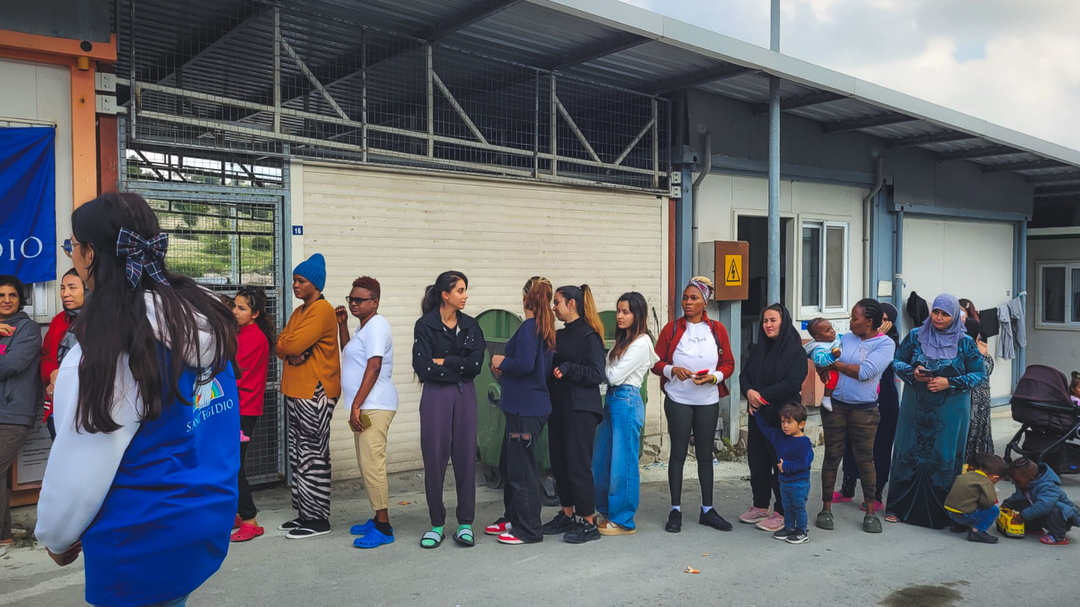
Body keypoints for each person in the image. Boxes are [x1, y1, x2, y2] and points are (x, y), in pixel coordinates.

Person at [35, 192, 239, 606]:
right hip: (201, 522)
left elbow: (81, 468)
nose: (71, 255)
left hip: (136, 541)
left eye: (72, 246)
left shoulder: (108, 351)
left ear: (90, 253)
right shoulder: (201, 323)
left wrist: (56, 536)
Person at [887, 293, 987, 529]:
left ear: (954, 317)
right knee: (908, 450)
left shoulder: (965, 343)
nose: (939, 318)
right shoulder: (916, 335)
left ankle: (940, 513)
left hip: (950, 411)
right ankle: (898, 508)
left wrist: (948, 382)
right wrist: (914, 372)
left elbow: (979, 374)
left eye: (945, 314)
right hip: (915, 407)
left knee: (943, 455)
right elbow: (896, 361)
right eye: (936, 312)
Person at [651, 276, 735, 534]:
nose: (687, 302)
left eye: (693, 298)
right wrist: (673, 369)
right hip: (678, 399)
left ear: (704, 302)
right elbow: (655, 363)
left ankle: (707, 510)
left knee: (705, 456)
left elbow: (728, 364)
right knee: (677, 455)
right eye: (685, 298)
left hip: (708, 400)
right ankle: (675, 510)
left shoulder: (717, 330)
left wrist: (714, 377)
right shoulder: (672, 329)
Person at [414, 271, 486, 549]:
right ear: (446, 295)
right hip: (436, 395)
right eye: (460, 290)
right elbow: (423, 367)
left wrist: (445, 361)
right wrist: (458, 365)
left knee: (466, 457)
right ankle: (436, 524)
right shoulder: (425, 325)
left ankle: (466, 523)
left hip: (465, 394)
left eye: (465, 290)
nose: (465, 295)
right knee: (434, 457)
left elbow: (476, 365)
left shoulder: (471, 326)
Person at [816, 299, 896, 534]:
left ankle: (870, 512)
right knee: (832, 455)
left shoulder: (885, 345)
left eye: (854, 318)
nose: (850, 322)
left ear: (869, 322)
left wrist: (834, 365)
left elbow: (865, 373)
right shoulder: (846, 338)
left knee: (865, 459)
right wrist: (824, 367)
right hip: (835, 405)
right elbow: (825, 357)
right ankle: (826, 508)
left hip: (865, 409)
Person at [276, 253, 342, 539]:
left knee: (313, 454)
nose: (295, 285)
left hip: (315, 391)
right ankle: (304, 512)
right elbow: (281, 344)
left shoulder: (322, 310)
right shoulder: (300, 311)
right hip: (296, 390)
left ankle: (318, 519)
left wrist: (291, 347)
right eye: (294, 280)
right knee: (298, 454)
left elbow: (294, 343)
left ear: (315, 284)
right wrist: (289, 347)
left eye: (301, 281)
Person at [487, 277, 556, 545]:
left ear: (525, 297)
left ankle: (528, 529)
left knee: (522, 470)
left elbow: (525, 364)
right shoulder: (544, 327)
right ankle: (515, 518)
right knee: (513, 464)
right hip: (529, 406)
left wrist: (501, 361)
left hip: (525, 409)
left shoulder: (529, 328)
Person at [336, 276, 399, 550]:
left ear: (375, 301)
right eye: (351, 298)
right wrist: (342, 326)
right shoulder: (364, 328)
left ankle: (384, 527)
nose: (353, 303)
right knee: (366, 463)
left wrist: (356, 404)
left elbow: (373, 367)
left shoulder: (377, 325)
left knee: (373, 465)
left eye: (360, 300)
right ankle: (376, 518)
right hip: (367, 404)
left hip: (374, 404)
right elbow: (349, 353)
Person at [543, 284, 605, 544]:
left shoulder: (589, 336)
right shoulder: (560, 335)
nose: (553, 308)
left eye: (557, 302)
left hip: (581, 409)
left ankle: (588, 521)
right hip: (559, 407)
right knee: (560, 462)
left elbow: (596, 373)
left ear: (572, 304)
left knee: (578, 465)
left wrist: (570, 368)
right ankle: (566, 513)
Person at [738, 304, 808, 533]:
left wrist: (761, 396)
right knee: (757, 462)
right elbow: (745, 375)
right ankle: (760, 505)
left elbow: (792, 382)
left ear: (783, 322)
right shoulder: (758, 349)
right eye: (765, 321)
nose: (768, 325)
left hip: (783, 416)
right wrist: (749, 392)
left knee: (780, 462)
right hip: (758, 415)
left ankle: (782, 511)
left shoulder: (796, 351)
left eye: (773, 320)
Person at [593, 292, 658, 537]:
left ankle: (623, 519)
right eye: (619, 311)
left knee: (623, 462)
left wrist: (605, 367)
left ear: (637, 314)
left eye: (626, 312)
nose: (619, 316)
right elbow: (610, 372)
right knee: (601, 459)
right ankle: (607, 511)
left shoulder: (641, 343)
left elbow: (614, 375)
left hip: (627, 400)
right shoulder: (624, 341)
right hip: (612, 399)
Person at [836, 302, 901, 510]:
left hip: (884, 399)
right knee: (851, 441)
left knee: (879, 446)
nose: (879, 325)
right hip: (855, 398)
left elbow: (868, 370)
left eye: (884, 320)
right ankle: (847, 487)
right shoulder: (854, 339)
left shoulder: (889, 343)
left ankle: (876, 494)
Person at [0, 275, 42, 559]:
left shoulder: (28, 330)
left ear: (21, 299)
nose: (6, 300)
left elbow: (8, 365)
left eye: (12, 295)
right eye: (1, 295)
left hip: (14, 413)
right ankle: (3, 536)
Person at [230, 286, 273, 543]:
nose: (235, 311)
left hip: (243, 409)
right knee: (231, 463)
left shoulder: (254, 338)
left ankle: (250, 519)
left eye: (242, 308)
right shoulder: (240, 333)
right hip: (235, 408)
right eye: (235, 306)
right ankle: (238, 513)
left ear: (255, 313)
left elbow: (232, 373)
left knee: (235, 465)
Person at [750, 403, 814, 544]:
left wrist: (786, 466)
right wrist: (756, 414)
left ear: (801, 424)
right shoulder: (779, 436)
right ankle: (789, 527)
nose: (785, 425)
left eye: (789, 422)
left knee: (798, 507)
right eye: (783, 421)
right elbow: (765, 430)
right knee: (787, 507)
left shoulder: (804, 443)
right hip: (784, 482)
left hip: (799, 483)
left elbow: (805, 462)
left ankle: (802, 531)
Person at [40, 268, 86, 439]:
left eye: (72, 287)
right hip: (58, 406)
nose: (65, 293)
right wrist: (52, 373)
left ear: (87, 289)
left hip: (87, 408)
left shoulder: (102, 321)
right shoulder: (59, 320)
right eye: (62, 288)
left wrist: (66, 376)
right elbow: (45, 357)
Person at [1001, 457, 1080, 546]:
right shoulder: (1024, 485)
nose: (1016, 484)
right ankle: (1034, 528)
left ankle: (1058, 536)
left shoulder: (1047, 486)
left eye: (1018, 482)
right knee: (1023, 504)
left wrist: (1023, 516)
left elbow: (1044, 506)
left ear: (1031, 479)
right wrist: (1007, 504)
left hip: (1062, 518)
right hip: (1042, 515)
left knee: (1054, 510)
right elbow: (1017, 497)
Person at [943, 453, 1008, 544]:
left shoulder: (965, 475)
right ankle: (977, 532)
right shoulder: (986, 482)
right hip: (964, 515)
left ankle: (958, 525)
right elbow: (987, 503)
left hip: (950, 513)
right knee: (994, 510)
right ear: (995, 477)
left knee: (968, 502)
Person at [961, 299, 995, 461]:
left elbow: (986, 370)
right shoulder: (963, 347)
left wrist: (984, 355)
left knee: (977, 433)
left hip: (979, 399)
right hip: (968, 397)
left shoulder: (978, 343)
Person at [804, 318, 841, 412]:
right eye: (828, 330)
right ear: (818, 337)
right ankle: (826, 397)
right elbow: (819, 362)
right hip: (829, 370)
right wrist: (832, 356)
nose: (832, 331)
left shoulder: (835, 338)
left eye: (831, 328)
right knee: (832, 376)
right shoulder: (817, 347)